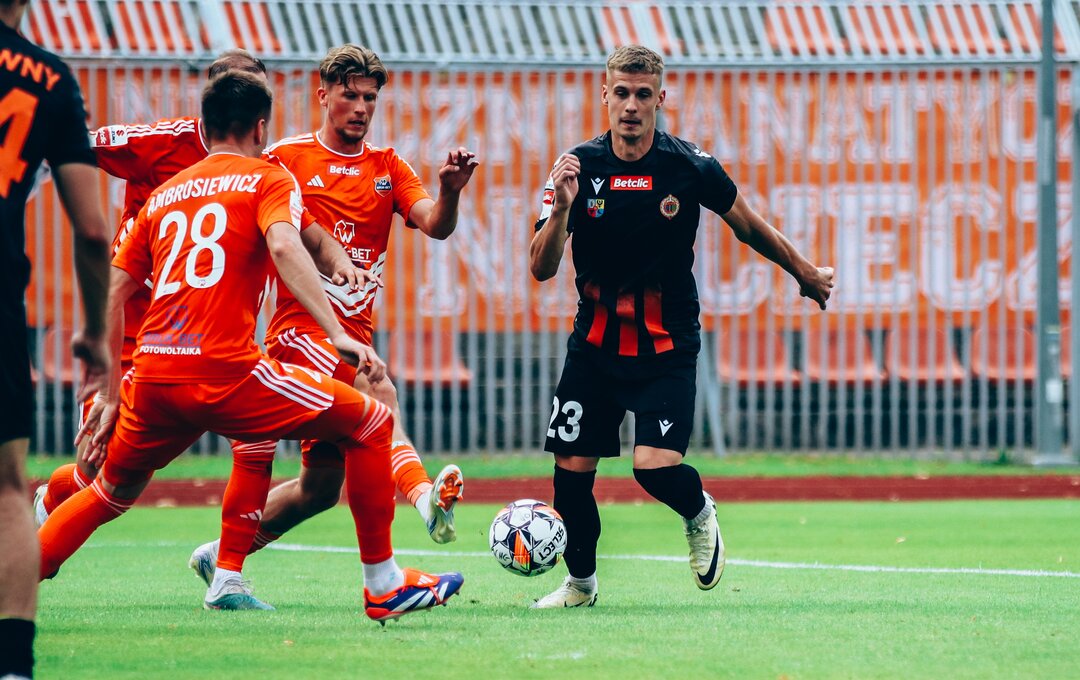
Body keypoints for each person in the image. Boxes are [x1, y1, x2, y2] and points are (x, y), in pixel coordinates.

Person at [38, 70, 464, 621]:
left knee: (106, 494)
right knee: (371, 420)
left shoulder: (166, 194)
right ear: (261, 127)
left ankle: (15, 579)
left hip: (154, 374)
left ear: (206, 124)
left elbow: (114, 290)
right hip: (227, 368)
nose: (361, 106)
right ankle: (384, 583)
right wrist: (336, 331)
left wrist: (111, 388)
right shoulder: (269, 176)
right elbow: (286, 247)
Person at [528, 45, 834, 608]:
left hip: (665, 346)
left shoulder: (690, 166)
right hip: (593, 347)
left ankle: (698, 512)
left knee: (653, 469)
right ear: (605, 95)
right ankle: (580, 585)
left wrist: (805, 272)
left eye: (643, 94)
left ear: (660, 99)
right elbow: (541, 267)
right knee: (569, 478)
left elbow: (749, 225)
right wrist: (564, 208)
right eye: (622, 93)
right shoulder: (574, 168)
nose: (631, 105)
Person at [32, 50, 375, 525]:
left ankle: (226, 564)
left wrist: (340, 262)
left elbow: (305, 234)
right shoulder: (162, 142)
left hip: (209, 342)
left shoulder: (267, 167)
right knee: (103, 474)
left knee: (254, 442)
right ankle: (47, 509)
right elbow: (72, 144)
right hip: (134, 334)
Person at [187, 43, 478, 583]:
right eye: (350, 96)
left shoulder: (387, 166)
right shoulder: (285, 159)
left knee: (320, 489)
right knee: (378, 387)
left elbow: (435, 224)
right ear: (322, 95)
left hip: (353, 334)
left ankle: (220, 555)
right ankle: (424, 501)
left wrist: (449, 191)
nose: (361, 108)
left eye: (370, 98)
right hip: (300, 333)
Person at [0, 0, 112, 675]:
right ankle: (13, 663)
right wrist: (97, 333)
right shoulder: (45, 76)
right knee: (9, 491)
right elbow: (93, 231)